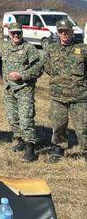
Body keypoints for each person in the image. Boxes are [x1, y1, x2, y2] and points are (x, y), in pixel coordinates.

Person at [0, 22, 43, 162]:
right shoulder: (4, 48)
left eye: (18, 33)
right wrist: (5, 78)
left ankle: (30, 149)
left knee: (26, 118)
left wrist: (22, 75)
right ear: (9, 34)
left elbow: (39, 68)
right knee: (12, 117)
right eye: (13, 33)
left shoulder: (29, 48)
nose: (16, 35)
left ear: (22, 33)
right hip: (9, 89)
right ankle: (20, 140)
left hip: (24, 89)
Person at [43, 19, 87, 163]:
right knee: (58, 125)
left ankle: (85, 151)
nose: (64, 34)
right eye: (61, 31)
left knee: (83, 126)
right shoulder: (51, 49)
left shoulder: (83, 49)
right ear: (58, 33)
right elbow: (48, 68)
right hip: (58, 96)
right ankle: (58, 150)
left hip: (79, 96)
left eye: (67, 31)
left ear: (72, 32)